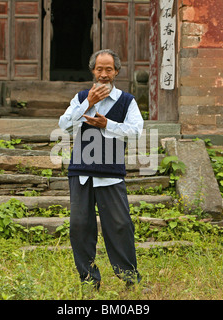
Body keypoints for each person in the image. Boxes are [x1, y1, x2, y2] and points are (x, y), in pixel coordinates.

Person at [58, 49, 144, 289]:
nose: (104, 74)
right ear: (93, 71)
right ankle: (88, 280)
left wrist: (109, 124)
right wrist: (89, 103)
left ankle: (129, 279)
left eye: (109, 69)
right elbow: (64, 125)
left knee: (120, 226)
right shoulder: (81, 97)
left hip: (111, 174)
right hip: (81, 172)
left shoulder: (127, 101)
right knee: (79, 227)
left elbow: (136, 131)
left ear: (116, 72)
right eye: (99, 69)